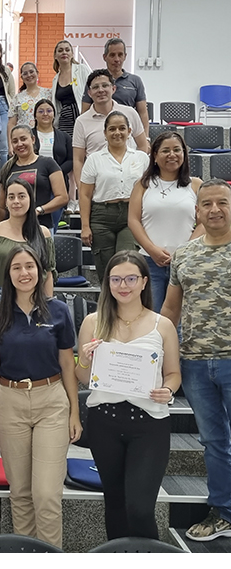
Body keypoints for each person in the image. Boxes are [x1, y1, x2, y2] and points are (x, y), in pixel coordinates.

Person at [78, 251, 180, 540]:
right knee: (115, 504)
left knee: (140, 508)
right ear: (108, 283)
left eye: (131, 278)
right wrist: (84, 359)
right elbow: (83, 378)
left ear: (144, 282)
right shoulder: (93, 322)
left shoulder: (163, 325)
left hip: (149, 424)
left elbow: (173, 373)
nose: (123, 285)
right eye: (116, 279)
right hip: (104, 422)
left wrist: (168, 389)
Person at [0, 244, 81, 548]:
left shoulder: (59, 310)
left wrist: (74, 412)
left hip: (51, 401)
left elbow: (68, 363)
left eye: (29, 266)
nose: (23, 273)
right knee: (21, 493)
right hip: (9, 402)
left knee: (47, 494)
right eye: (16, 268)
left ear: (40, 272)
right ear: (8, 274)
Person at [161, 178, 231, 542]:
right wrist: (152, 349)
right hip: (195, 362)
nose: (215, 209)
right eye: (207, 204)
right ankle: (223, 510)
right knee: (213, 441)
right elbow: (171, 309)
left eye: (222, 202)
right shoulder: (184, 254)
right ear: (197, 210)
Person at [128, 132, 203, 312]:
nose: (172, 155)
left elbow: (204, 223)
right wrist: (153, 250)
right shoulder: (143, 185)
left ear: (184, 155)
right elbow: (133, 220)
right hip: (150, 261)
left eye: (177, 150)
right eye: (165, 150)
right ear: (154, 155)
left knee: (181, 318)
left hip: (186, 262)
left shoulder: (196, 185)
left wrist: (184, 252)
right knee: (151, 315)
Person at [0, 178, 56, 330]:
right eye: (11, 197)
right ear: (5, 202)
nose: (16, 201)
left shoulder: (43, 233)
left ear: (30, 199)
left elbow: (48, 273)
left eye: (21, 196)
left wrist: (48, 305)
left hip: (35, 298)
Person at [79, 111, 148, 279]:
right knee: (107, 271)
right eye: (112, 129)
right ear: (105, 133)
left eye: (122, 128)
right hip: (102, 217)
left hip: (131, 215)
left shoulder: (142, 158)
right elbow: (85, 195)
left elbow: (148, 191)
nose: (117, 133)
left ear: (129, 131)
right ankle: (107, 305)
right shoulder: (94, 159)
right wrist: (85, 226)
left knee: (127, 265)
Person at [72, 69, 148, 192]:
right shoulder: (81, 121)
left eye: (105, 85)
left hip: (131, 187)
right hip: (99, 189)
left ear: (113, 89)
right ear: (90, 93)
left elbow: (143, 147)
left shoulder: (130, 113)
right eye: (95, 87)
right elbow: (78, 160)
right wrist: (82, 191)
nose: (101, 90)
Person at [0, 125, 68, 231]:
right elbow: (2, 206)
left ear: (33, 139)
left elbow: (62, 197)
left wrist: (39, 210)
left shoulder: (48, 163)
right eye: (15, 141)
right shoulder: (7, 168)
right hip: (13, 229)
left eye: (23, 139)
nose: (19, 144)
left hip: (41, 227)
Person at [82, 38, 150, 137]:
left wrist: (146, 138)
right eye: (112, 55)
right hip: (99, 132)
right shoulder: (94, 81)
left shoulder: (135, 81)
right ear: (105, 57)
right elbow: (85, 111)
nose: (117, 59)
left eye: (120, 55)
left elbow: (143, 112)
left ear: (125, 56)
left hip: (127, 132)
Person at [32, 99, 74, 229]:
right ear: (35, 116)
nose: (45, 114)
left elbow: (71, 160)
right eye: (41, 111)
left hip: (58, 185)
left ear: (54, 115)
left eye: (49, 111)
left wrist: (55, 173)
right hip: (35, 184)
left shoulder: (64, 136)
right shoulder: (29, 135)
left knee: (53, 226)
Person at [50, 39, 91, 140]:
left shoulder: (82, 69)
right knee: (67, 149)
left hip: (81, 115)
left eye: (67, 50)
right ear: (55, 56)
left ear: (72, 54)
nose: (64, 52)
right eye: (60, 50)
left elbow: (92, 91)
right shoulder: (55, 79)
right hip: (64, 121)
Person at [7, 62, 52, 136]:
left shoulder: (49, 93)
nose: (29, 75)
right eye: (25, 73)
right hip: (23, 139)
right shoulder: (17, 98)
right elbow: (11, 124)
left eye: (31, 72)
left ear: (37, 73)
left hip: (45, 137)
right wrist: (11, 146)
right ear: (22, 77)